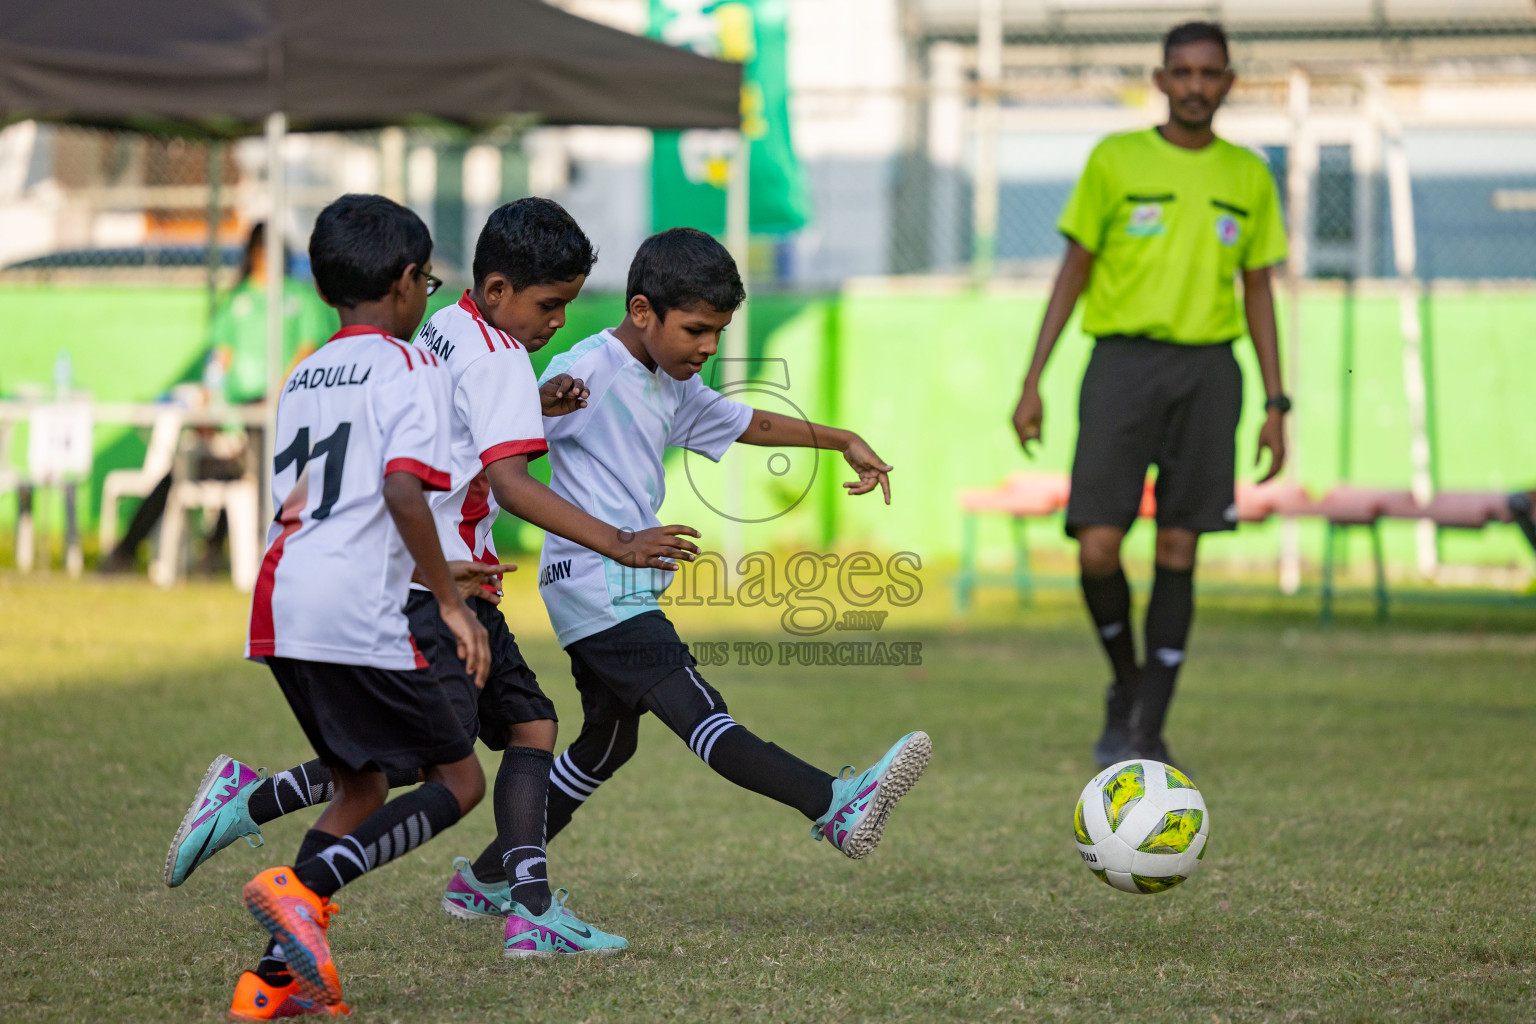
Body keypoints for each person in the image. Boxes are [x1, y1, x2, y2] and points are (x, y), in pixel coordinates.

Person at [166, 199, 699, 965]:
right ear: (419, 281)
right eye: (550, 305)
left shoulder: (340, 360)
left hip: (297, 590)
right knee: (457, 767)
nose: (556, 322)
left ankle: (280, 950)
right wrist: (470, 585)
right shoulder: (434, 359)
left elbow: (386, 465)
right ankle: (359, 890)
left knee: (389, 768)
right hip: (413, 587)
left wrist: (526, 410)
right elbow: (462, 485)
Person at [176, 193, 491, 1018]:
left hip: (282, 606)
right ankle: (301, 886)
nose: (428, 295)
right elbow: (397, 489)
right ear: (404, 280)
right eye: (427, 281)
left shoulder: (304, 370)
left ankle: (274, 983)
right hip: (360, 610)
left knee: (359, 786)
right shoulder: (411, 362)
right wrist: (450, 600)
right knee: (457, 781)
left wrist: (440, 568)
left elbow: (332, 501)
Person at [528, 227, 930, 866]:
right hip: (599, 582)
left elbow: (749, 422)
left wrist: (842, 437)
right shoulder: (586, 370)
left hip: (599, 587)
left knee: (606, 746)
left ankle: (492, 876)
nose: (709, 347)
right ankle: (833, 802)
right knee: (702, 715)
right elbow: (500, 443)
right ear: (641, 312)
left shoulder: (672, 382)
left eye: (719, 332)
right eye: (695, 330)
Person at [1010, 21, 1290, 770]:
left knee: (1178, 544)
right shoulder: (1115, 159)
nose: (1197, 85)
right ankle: (1126, 687)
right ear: (1161, 79)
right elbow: (1073, 269)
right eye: (1183, 72)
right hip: (1121, 366)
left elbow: (1259, 289)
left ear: (1228, 82)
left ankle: (1149, 731)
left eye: (1211, 73)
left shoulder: (1249, 176)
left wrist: (1276, 400)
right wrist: (1033, 378)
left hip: (1209, 373)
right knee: (1099, 546)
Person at [99, 223, 332, 573]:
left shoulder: (298, 300)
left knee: (247, 471)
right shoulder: (237, 302)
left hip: (281, 420)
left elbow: (306, 353)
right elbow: (218, 363)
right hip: (233, 420)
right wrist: (208, 405)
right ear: (254, 254)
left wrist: (277, 399)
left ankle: (216, 551)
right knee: (185, 469)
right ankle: (130, 550)